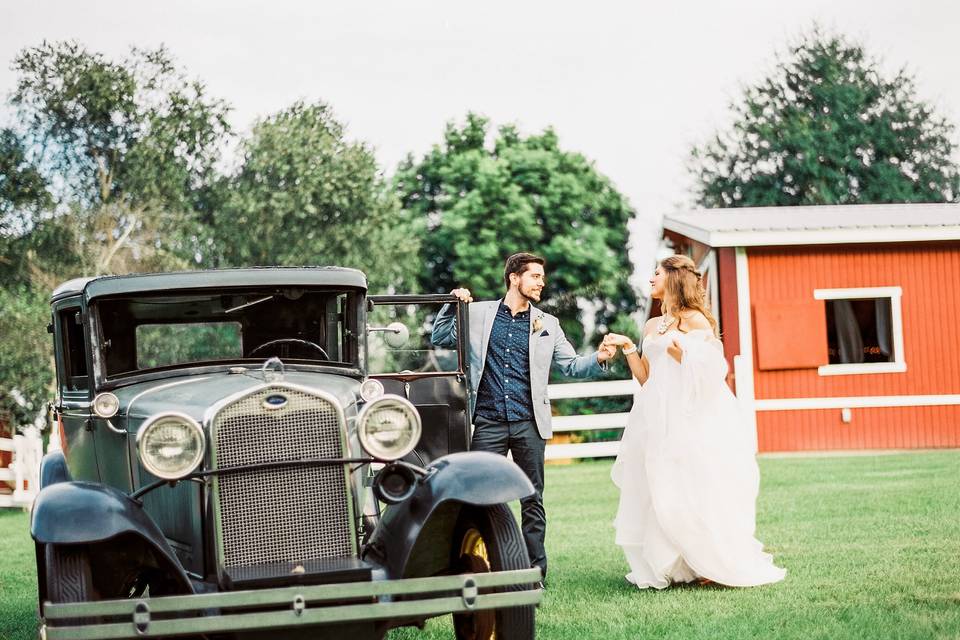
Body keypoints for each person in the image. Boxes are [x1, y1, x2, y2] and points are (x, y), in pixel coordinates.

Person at [602, 254, 786, 589]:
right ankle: (675, 565)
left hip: (691, 418)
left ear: (673, 278)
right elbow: (646, 377)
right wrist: (629, 346)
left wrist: (680, 351)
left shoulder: (696, 320)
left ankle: (711, 563)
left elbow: (713, 371)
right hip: (655, 419)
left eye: (656, 273)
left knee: (694, 486)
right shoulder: (650, 325)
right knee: (659, 486)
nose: (651, 279)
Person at [432, 252, 615, 584]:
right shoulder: (477, 313)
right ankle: (480, 566)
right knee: (479, 496)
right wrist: (452, 302)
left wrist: (598, 358)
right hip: (487, 421)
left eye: (542, 278)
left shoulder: (549, 324)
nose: (542, 282)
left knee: (532, 499)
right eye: (535, 276)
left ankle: (534, 573)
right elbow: (440, 336)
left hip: (529, 422)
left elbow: (571, 365)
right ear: (514, 278)